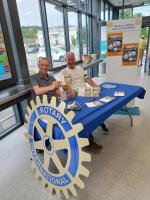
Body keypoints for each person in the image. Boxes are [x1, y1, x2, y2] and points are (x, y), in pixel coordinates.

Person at [61, 52, 108, 153]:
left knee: (101, 101)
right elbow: (66, 87)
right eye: (69, 59)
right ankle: (88, 135)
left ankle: (100, 121)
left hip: (85, 91)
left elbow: (88, 79)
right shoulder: (64, 72)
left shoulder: (80, 68)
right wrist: (72, 92)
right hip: (76, 94)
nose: (71, 61)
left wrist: (95, 86)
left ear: (75, 59)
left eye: (73, 59)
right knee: (87, 110)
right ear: (65, 60)